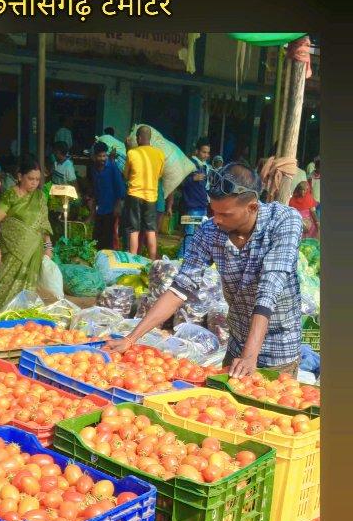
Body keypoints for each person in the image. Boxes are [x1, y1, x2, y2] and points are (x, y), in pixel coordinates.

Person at [107, 162, 304, 378]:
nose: (217, 219)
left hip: (279, 348)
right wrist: (131, 339)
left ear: (252, 207)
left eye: (226, 214)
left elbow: (269, 289)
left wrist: (250, 356)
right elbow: (180, 289)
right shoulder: (209, 231)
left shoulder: (284, 221)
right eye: (214, 211)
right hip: (238, 345)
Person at [0, 155, 53, 313]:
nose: (34, 183)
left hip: (32, 252)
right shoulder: (10, 195)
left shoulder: (40, 197)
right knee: (5, 284)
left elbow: (43, 224)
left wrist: (48, 247)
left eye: (37, 179)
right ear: (19, 176)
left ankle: (19, 320)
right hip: (11, 250)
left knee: (28, 288)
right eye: (31, 179)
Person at [123, 125, 165, 260]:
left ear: (139, 138)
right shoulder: (160, 154)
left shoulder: (132, 153)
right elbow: (159, 175)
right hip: (151, 197)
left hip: (134, 194)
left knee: (133, 229)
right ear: (150, 138)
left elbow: (126, 176)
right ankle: (153, 260)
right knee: (151, 230)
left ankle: (133, 260)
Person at [88, 141, 126, 250]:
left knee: (109, 237)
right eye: (100, 156)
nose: (102, 159)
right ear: (95, 156)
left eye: (104, 156)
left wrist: (118, 206)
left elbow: (120, 188)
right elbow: (96, 189)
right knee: (97, 236)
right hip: (100, 208)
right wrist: (93, 208)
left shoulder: (112, 167)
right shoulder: (94, 169)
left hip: (111, 209)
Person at [178, 136, 211, 257]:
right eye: (204, 152)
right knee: (189, 235)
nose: (206, 155)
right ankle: (181, 260)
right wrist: (193, 178)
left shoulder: (204, 167)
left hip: (202, 207)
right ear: (196, 151)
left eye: (208, 153)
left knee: (199, 238)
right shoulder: (190, 164)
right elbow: (179, 182)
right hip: (192, 208)